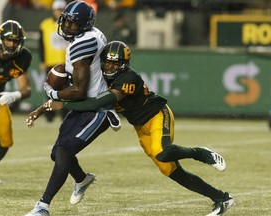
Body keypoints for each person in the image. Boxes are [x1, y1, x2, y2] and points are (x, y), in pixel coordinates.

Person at [30, 41, 236, 216]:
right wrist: (42, 108)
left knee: (163, 153)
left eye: (114, 63)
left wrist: (62, 104)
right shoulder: (99, 77)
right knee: (170, 170)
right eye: (107, 62)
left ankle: (200, 153)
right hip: (140, 126)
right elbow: (79, 92)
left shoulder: (128, 79)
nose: (109, 67)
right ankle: (222, 198)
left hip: (157, 115)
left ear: (124, 64)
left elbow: (94, 103)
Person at [25, 1, 120, 216]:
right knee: (56, 153)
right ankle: (82, 179)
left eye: (72, 23)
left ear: (84, 25)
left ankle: (43, 206)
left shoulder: (83, 43)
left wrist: (53, 93)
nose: (67, 27)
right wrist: (44, 106)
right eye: (65, 21)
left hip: (97, 108)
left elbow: (79, 90)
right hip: (84, 105)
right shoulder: (90, 34)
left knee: (65, 151)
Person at [0, 20, 32, 184]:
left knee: (5, 140)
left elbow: (27, 89)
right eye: (8, 40)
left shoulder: (22, 57)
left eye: (15, 41)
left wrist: (16, 95)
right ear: (0, 39)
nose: (11, 44)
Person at [38, 0, 69, 122]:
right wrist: (42, 60)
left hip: (65, 63)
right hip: (51, 62)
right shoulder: (45, 25)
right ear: (53, 11)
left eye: (62, 9)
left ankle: (65, 114)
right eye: (58, 9)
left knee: (66, 91)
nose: (59, 12)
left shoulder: (69, 25)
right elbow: (41, 44)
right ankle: (49, 115)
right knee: (50, 90)